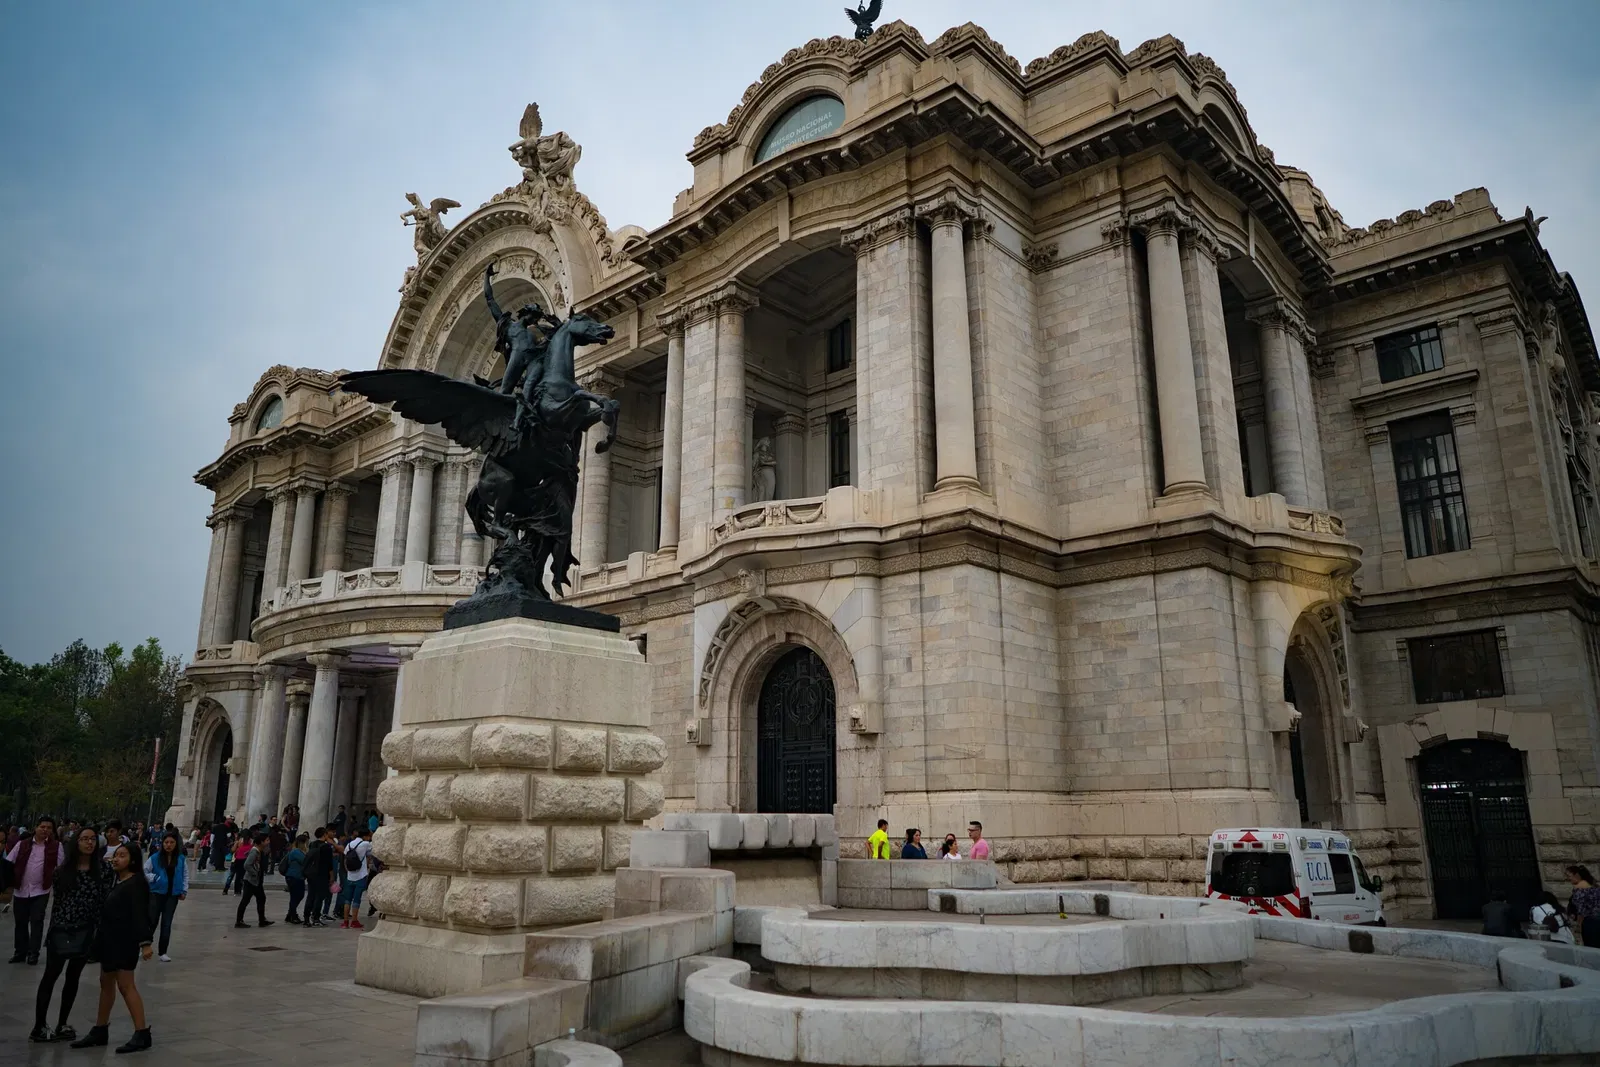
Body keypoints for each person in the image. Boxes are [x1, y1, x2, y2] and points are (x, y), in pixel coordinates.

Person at [69, 842, 154, 1053]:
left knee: (126, 986)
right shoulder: (119, 881)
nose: (117, 859)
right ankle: (100, 1028)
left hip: (124, 942)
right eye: (116, 855)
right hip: (109, 941)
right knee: (105, 983)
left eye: (122, 855)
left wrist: (145, 943)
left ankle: (142, 1032)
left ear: (133, 860)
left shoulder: (136, 884)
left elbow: (140, 915)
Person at [30, 825, 111, 1043]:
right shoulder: (62, 871)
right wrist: (55, 929)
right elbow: (58, 903)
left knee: (73, 978)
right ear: (76, 842)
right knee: (50, 977)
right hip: (62, 929)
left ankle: (62, 1023)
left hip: (86, 930)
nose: (89, 843)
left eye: (93, 839)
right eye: (84, 839)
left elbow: (104, 902)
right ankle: (39, 1025)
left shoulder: (103, 870)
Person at [7, 816, 64, 964]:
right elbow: (8, 863)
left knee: (37, 921)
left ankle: (33, 953)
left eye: (49, 828)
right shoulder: (22, 844)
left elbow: (62, 868)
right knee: (20, 922)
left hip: (41, 891)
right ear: (36, 828)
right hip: (20, 890)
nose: (45, 830)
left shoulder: (56, 846)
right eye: (42, 827)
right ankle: (20, 952)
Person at [143, 831, 187, 961]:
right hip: (156, 894)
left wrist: (184, 890)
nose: (169, 845)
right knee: (152, 922)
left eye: (171, 842)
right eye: (166, 842)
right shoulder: (155, 858)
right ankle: (145, 946)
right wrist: (155, 878)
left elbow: (185, 875)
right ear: (162, 843)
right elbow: (144, 871)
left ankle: (163, 952)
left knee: (166, 924)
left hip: (172, 895)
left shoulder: (180, 858)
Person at [233, 832, 274, 930]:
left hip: (256, 881)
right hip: (251, 881)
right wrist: (255, 873)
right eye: (267, 840)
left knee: (261, 898)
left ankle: (262, 920)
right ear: (261, 842)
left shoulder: (259, 851)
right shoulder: (255, 851)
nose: (268, 842)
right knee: (245, 900)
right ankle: (239, 921)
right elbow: (247, 865)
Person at [341, 828, 373, 929]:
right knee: (357, 899)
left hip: (350, 875)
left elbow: (345, 856)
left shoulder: (350, 844)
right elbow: (372, 851)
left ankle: (345, 922)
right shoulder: (365, 844)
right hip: (360, 875)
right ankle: (354, 921)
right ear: (365, 836)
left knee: (347, 900)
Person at [302, 827, 333, 928]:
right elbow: (329, 864)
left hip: (312, 874)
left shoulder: (312, 844)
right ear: (324, 835)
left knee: (310, 896)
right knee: (319, 897)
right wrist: (332, 876)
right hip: (322, 874)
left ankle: (306, 918)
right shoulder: (327, 847)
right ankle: (315, 917)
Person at [1568, 865, 1600, 946]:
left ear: (1577, 876)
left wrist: (1579, 926)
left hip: (1590, 923)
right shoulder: (1595, 888)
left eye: (1569, 876)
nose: (1568, 878)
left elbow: (1581, 911)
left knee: (1592, 948)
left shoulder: (1579, 890)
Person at [282, 834, 308, 924]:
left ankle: (290, 914)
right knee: (297, 895)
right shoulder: (296, 852)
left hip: (296, 877)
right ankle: (293, 915)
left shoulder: (298, 851)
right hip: (294, 877)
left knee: (296, 896)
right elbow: (305, 861)